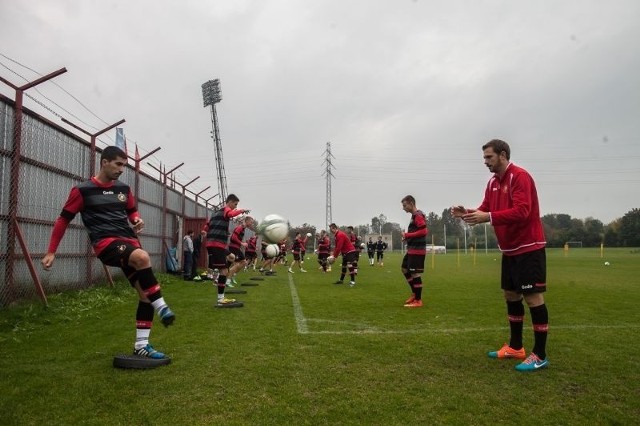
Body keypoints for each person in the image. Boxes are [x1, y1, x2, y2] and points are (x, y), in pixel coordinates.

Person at [41, 146, 175, 360]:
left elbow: (131, 210)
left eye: (125, 165)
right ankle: (163, 308)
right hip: (106, 245)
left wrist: (136, 220)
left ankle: (141, 345)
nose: (122, 169)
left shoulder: (123, 189)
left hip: (128, 242)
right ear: (104, 162)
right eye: (118, 164)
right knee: (142, 257)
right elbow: (63, 219)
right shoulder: (82, 190)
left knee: (144, 295)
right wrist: (51, 251)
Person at [452, 139, 549, 372]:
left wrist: (488, 217)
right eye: (484, 158)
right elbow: (485, 209)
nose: (485, 162)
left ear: (503, 155)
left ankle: (540, 354)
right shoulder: (493, 182)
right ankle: (516, 347)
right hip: (510, 250)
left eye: (489, 157)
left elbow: (523, 211)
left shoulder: (520, 177)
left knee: (533, 298)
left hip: (529, 247)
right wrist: (467, 213)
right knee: (511, 295)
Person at [203, 194, 250, 306]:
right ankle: (220, 299)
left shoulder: (215, 212)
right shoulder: (226, 209)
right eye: (235, 204)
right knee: (224, 271)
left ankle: (218, 276)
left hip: (213, 243)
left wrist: (205, 231)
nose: (235, 206)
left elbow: (207, 225)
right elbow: (231, 214)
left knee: (231, 257)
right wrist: (241, 211)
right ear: (230, 202)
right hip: (216, 244)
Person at [400, 195, 428, 308]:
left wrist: (407, 235)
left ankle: (418, 300)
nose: (403, 208)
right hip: (412, 249)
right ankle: (414, 293)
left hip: (417, 250)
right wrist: (407, 238)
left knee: (414, 273)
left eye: (404, 205)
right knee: (404, 269)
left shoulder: (418, 215)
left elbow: (424, 231)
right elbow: (418, 232)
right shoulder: (414, 216)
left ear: (411, 203)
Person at [227, 215, 255, 286]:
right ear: (247, 221)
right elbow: (233, 238)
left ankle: (231, 275)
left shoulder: (243, 228)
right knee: (242, 262)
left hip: (236, 247)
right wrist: (242, 243)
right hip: (234, 247)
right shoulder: (240, 227)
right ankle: (228, 280)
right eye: (251, 222)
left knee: (240, 263)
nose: (252, 224)